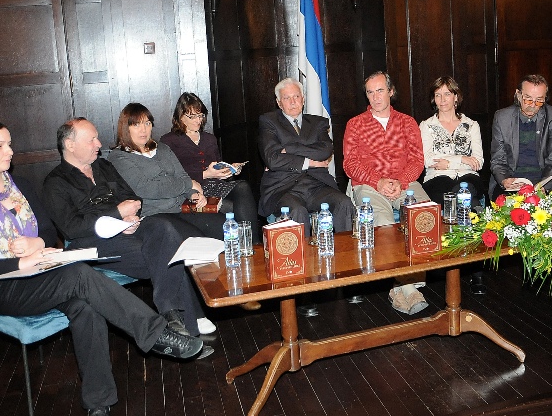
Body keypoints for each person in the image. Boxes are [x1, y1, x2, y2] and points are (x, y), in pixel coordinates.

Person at [0, 121, 204, 416]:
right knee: (80, 276)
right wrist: (19, 262)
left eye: (10, 144)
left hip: (38, 273)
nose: (10, 151)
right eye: (0, 146)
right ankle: (156, 333)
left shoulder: (21, 187)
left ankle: (98, 400)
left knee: (86, 305)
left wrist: (37, 243)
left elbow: (48, 231)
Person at [43, 117, 216, 338]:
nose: (98, 144)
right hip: (92, 242)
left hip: (128, 228)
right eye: (91, 140)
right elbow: (72, 228)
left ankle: (171, 316)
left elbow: (133, 197)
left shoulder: (103, 166)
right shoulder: (55, 182)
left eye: (97, 138)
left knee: (164, 227)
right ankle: (185, 325)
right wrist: (116, 215)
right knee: (166, 253)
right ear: (70, 145)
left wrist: (130, 216)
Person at [343, 71, 430, 314]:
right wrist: (378, 181)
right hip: (369, 185)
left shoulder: (407, 122)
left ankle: (399, 287)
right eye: (370, 92)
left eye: (380, 90)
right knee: (382, 223)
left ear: (391, 92)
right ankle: (408, 287)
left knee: (424, 215)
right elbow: (350, 164)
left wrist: (400, 181)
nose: (375, 97)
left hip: (404, 182)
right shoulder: (355, 124)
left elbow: (417, 161)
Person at [109, 102, 225, 239]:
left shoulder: (162, 148)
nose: (143, 130)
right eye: (136, 125)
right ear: (126, 128)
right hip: (154, 213)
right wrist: (189, 184)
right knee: (194, 236)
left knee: (222, 225)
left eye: (147, 123)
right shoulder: (119, 157)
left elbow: (181, 174)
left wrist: (193, 194)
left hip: (181, 207)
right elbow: (146, 188)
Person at [257, 78, 354, 234]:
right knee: (297, 211)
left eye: (296, 96)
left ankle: (346, 249)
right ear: (279, 103)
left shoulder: (318, 122)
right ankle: (304, 251)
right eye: (286, 98)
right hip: (284, 188)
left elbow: (325, 151)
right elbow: (272, 160)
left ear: (303, 99)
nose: (293, 102)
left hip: (317, 185)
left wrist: (289, 148)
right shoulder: (269, 121)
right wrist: (311, 162)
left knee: (344, 203)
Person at [160, 92, 259, 240]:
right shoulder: (169, 141)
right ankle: (247, 242)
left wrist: (229, 170)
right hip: (192, 190)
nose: (198, 120)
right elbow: (170, 174)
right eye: (192, 117)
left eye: (200, 115)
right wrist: (205, 174)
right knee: (234, 208)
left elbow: (217, 166)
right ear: (180, 116)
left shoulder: (209, 138)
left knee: (243, 186)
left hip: (216, 185)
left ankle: (254, 243)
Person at [489, 74, 552, 199]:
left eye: (539, 100)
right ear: (518, 95)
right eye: (528, 99)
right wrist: (505, 180)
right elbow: (498, 159)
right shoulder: (502, 117)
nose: (533, 105)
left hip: (544, 180)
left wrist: (544, 186)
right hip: (512, 180)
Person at [419, 76, 485, 207]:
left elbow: (478, 162)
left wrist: (448, 163)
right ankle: (473, 208)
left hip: (468, 175)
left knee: (467, 185)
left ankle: (464, 204)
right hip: (437, 177)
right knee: (445, 187)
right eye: (438, 95)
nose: (442, 99)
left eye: (447, 94)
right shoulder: (426, 126)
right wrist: (463, 159)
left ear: (456, 97)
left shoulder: (471, 125)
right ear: (434, 99)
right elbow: (428, 160)